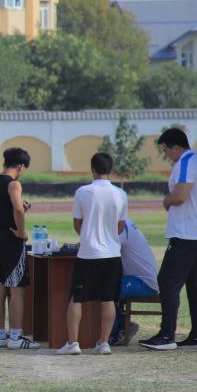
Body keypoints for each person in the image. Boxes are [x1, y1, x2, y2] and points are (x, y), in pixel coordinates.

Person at [141, 128, 197, 351]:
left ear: (176, 147)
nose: (167, 157)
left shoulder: (186, 162)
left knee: (167, 282)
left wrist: (166, 201)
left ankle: (167, 335)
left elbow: (181, 195)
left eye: (166, 151)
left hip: (185, 233)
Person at [58, 152, 128, 355]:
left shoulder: (83, 192)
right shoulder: (120, 194)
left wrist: (88, 235)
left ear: (92, 169)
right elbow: (120, 226)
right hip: (112, 253)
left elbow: (77, 223)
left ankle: (73, 342)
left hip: (88, 253)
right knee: (108, 299)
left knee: (77, 298)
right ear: (111, 170)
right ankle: (104, 342)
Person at [0, 147, 41, 350]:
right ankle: (15, 337)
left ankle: (0, 335)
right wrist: (21, 231)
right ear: (21, 166)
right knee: (16, 290)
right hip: (12, 240)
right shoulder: (13, 184)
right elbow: (16, 210)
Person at [110, 218, 158, 346]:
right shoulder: (124, 222)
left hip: (143, 281)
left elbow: (107, 249)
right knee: (107, 287)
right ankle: (121, 325)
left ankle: (119, 330)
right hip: (138, 278)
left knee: (107, 291)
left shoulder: (121, 226)